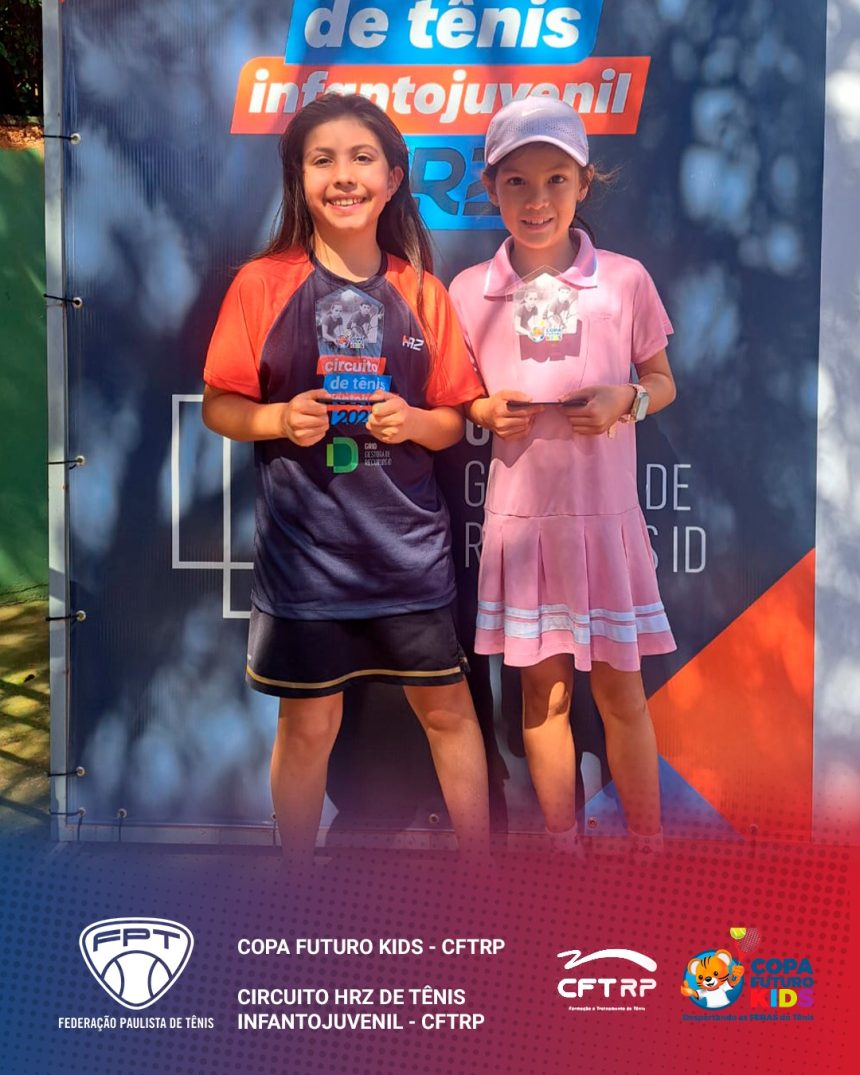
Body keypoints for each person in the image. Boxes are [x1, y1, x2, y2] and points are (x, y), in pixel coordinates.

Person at [202, 93, 490, 868]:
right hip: (306, 564)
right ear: (299, 178)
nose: (343, 176)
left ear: (393, 178)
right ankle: (295, 881)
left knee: (450, 714)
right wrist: (276, 418)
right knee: (308, 727)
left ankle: (485, 878)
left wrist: (413, 421)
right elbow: (220, 404)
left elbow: (453, 420)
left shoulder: (423, 290)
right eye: (322, 160)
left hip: (409, 558)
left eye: (362, 158)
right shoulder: (261, 284)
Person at [449, 98, 677, 856]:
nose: (537, 199)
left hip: (605, 526)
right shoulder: (467, 291)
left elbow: (662, 381)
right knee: (541, 700)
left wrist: (625, 400)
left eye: (555, 178)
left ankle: (648, 847)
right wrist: (484, 408)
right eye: (516, 181)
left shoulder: (626, 280)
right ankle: (561, 850)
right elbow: (456, 398)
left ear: (584, 183)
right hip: (523, 534)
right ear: (491, 188)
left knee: (621, 696)